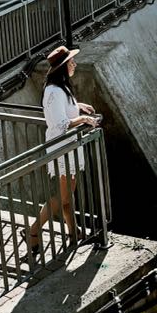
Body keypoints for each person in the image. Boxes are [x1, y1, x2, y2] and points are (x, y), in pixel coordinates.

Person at [25, 45, 100, 259]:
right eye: (71, 62)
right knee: (63, 195)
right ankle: (32, 231)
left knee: (68, 194)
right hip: (62, 146)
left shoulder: (60, 89)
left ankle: (73, 232)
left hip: (68, 146)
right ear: (62, 67)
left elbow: (64, 111)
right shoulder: (54, 90)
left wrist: (79, 107)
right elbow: (59, 123)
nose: (74, 64)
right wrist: (84, 119)